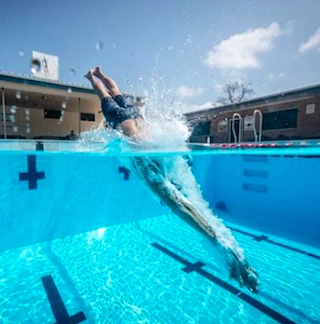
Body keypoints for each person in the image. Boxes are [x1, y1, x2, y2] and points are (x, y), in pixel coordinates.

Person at [85, 66, 259, 293]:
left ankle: (90, 75)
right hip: (137, 118)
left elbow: (179, 205)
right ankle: (96, 74)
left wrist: (91, 78)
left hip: (129, 130)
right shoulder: (145, 131)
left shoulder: (142, 161)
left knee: (103, 94)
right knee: (111, 92)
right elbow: (112, 87)